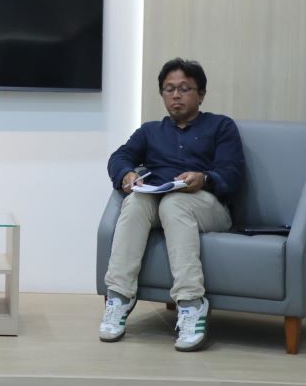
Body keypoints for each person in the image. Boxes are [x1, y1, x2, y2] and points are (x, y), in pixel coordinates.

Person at [98, 58, 244, 352]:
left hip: (208, 206)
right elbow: (119, 157)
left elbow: (233, 174)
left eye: (184, 89)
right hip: (160, 199)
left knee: (175, 203)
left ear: (201, 94)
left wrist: (204, 178)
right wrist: (126, 175)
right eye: (169, 89)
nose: (176, 95)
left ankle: (191, 303)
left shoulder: (221, 126)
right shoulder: (150, 131)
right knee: (136, 203)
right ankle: (119, 297)